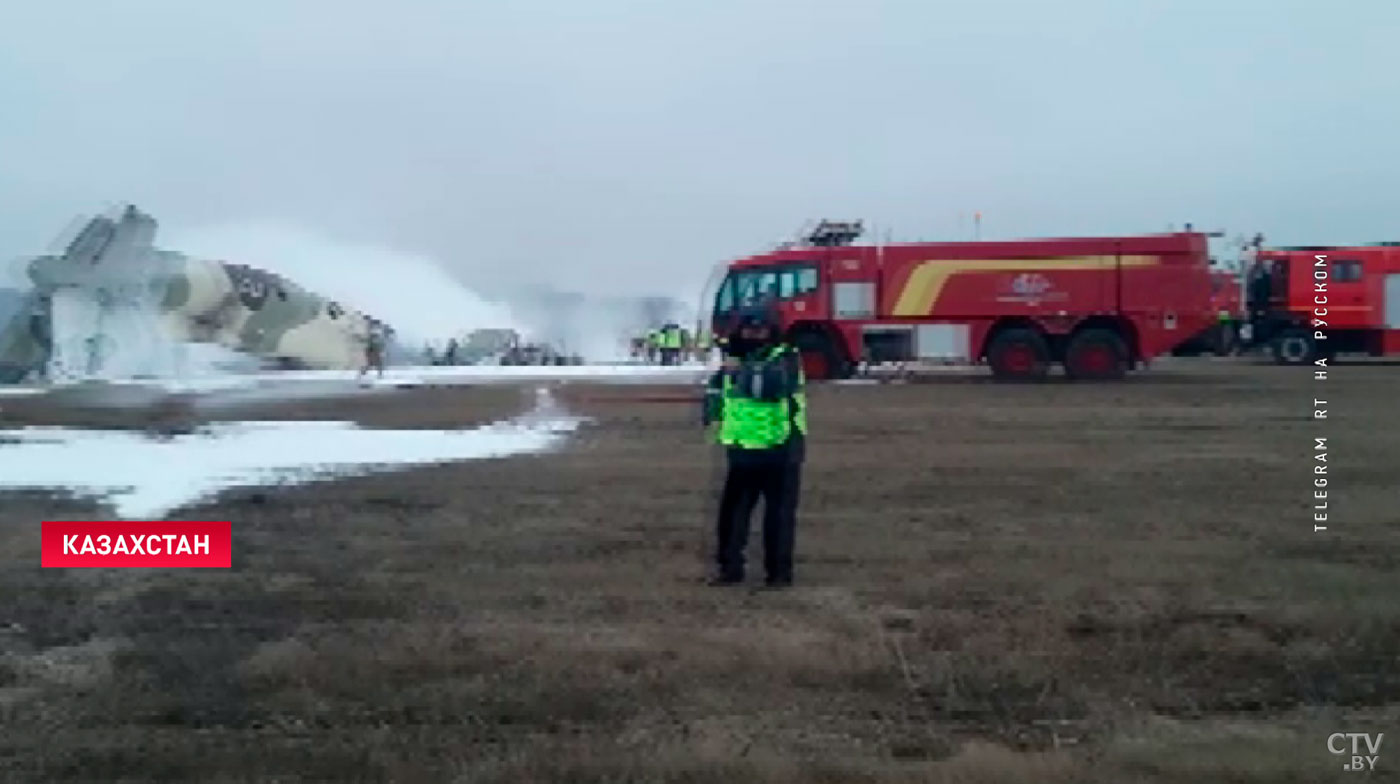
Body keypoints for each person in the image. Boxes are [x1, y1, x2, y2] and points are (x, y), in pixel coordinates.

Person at [702, 307, 806, 588]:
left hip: (781, 447)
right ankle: (729, 570)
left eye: (760, 330)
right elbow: (716, 389)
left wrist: (741, 370)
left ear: (771, 331)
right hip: (741, 451)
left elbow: (771, 387)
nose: (754, 335)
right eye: (749, 330)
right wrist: (711, 412)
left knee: (778, 518)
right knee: (732, 516)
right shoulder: (731, 358)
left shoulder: (786, 357)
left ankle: (779, 574)